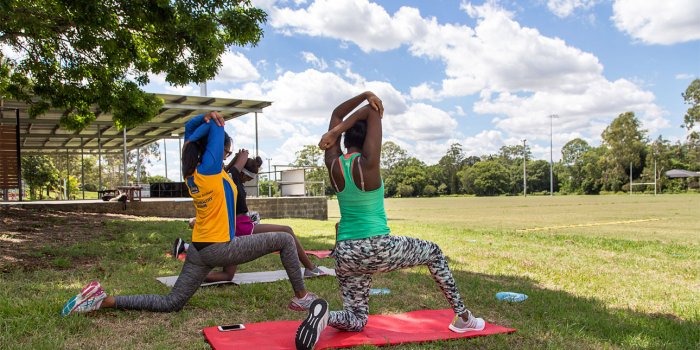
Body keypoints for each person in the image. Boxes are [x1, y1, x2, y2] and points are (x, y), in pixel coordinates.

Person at [61, 111, 319, 316]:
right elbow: (213, 132)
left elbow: (189, 130)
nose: (225, 153)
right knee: (284, 239)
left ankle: (103, 300)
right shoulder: (208, 173)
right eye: (224, 150)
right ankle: (301, 299)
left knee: (171, 302)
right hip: (219, 247)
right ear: (212, 150)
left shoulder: (193, 173)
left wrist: (204, 119)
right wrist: (215, 121)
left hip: (199, 248)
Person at [294, 92, 485, 350]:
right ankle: (463, 317)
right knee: (434, 253)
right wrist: (366, 100)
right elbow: (371, 112)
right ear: (368, 139)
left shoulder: (333, 164)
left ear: (345, 138)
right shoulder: (368, 165)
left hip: (345, 253)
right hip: (377, 247)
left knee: (356, 319)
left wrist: (348, 114)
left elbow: (337, 114)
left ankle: (325, 315)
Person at [172, 149, 328, 282]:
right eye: (249, 177)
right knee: (286, 230)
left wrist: (236, 159)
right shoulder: (232, 179)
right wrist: (243, 155)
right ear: (245, 174)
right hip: (241, 227)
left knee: (228, 275)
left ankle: (191, 277)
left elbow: (229, 169)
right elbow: (233, 168)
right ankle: (310, 268)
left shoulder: (227, 179)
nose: (248, 180)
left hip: (234, 228)